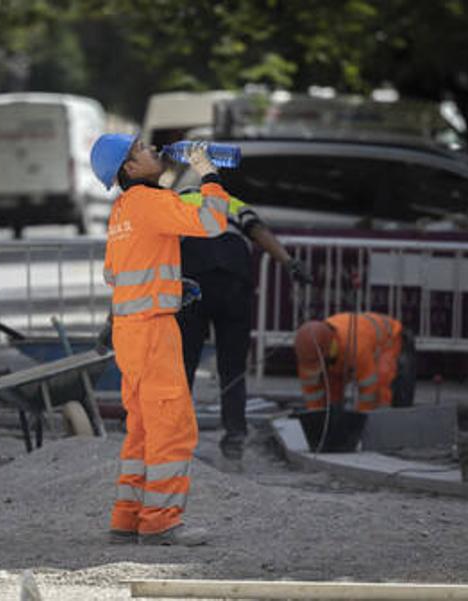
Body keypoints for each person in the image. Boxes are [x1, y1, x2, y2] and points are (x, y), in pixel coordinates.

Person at [90, 134, 231, 546]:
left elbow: (117, 275)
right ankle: (161, 522)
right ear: (130, 169)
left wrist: (167, 283)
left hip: (130, 332)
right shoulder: (153, 202)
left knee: (142, 430)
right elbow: (213, 221)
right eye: (142, 150)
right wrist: (209, 174)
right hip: (153, 330)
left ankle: (127, 517)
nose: (152, 150)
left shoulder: (122, 211)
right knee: (171, 427)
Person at [175, 188, 312, 462]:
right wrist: (289, 262)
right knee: (233, 367)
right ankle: (234, 437)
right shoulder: (231, 202)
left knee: (183, 366)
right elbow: (259, 231)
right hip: (235, 281)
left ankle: (177, 439)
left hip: (193, 279)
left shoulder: (175, 200)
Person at [293, 312, 415, 412]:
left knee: (381, 385)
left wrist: (361, 420)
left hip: (390, 339)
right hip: (352, 345)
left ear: (331, 349)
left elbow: (368, 389)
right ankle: (335, 417)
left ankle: (386, 425)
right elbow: (312, 395)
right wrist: (318, 420)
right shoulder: (308, 352)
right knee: (332, 381)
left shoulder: (355, 346)